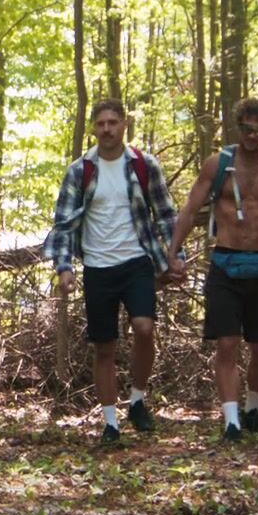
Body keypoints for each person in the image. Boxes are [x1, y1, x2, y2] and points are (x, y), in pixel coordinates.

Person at [44, 100, 180, 447]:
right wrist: (64, 267)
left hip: (137, 261)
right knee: (104, 347)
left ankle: (137, 401)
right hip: (97, 267)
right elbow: (62, 223)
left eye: (113, 122)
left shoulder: (144, 165)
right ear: (94, 127)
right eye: (101, 123)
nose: (107, 129)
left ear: (124, 125)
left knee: (144, 328)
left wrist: (174, 256)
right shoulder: (80, 171)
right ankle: (110, 423)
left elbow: (166, 213)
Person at [167, 98, 258, 441]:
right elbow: (189, 209)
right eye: (247, 129)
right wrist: (173, 252)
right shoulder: (218, 164)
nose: (252, 136)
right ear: (238, 127)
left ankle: (252, 408)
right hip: (224, 263)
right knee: (226, 343)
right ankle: (231, 421)